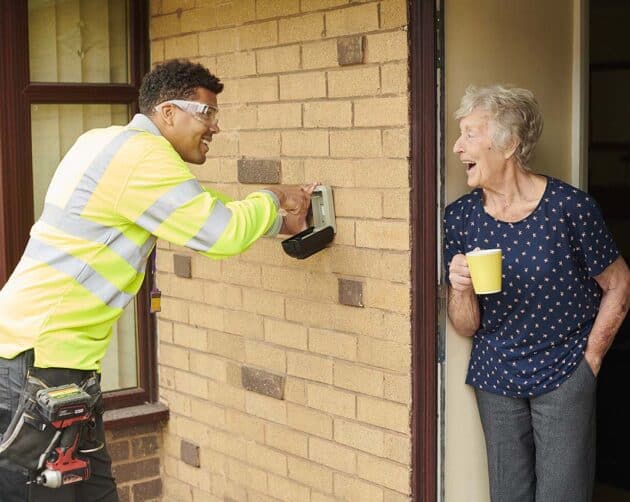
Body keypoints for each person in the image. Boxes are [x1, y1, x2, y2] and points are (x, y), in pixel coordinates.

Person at [0, 59, 314, 501]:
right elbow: (218, 231)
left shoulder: (107, 142)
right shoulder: (141, 157)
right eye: (206, 113)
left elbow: (198, 206)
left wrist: (281, 226)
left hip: (58, 361)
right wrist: (274, 197)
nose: (215, 127)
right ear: (167, 112)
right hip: (41, 360)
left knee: (93, 491)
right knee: (33, 493)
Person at [444, 85, 630, 502]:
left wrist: (591, 361)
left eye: (470, 134)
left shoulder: (570, 208)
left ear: (508, 143)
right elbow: (465, 324)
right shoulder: (459, 219)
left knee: (564, 495)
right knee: (508, 495)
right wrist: (460, 289)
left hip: (565, 372)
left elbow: (619, 284)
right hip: (495, 376)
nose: (457, 147)